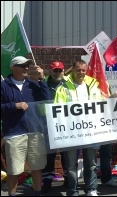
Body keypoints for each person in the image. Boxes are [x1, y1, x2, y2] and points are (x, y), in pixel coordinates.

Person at [1, 56, 51, 196]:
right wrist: (14, 106)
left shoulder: (33, 84)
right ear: (13, 67)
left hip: (35, 131)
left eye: (27, 66)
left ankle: (37, 193)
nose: (26, 68)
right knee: (14, 170)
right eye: (22, 66)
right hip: (14, 133)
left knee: (37, 167)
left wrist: (42, 79)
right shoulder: (4, 86)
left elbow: (47, 100)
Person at [54, 60, 103, 196]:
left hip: (90, 130)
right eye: (78, 70)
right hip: (71, 131)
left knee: (91, 163)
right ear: (73, 70)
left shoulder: (93, 86)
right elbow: (58, 108)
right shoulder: (63, 87)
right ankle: (72, 190)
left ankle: (91, 189)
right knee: (70, 165)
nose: (80, 72)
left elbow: (99, 107)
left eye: (83, 70)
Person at [41, 61, 68, 193]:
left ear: (63, 71)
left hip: (66, 125)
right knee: (49, 156)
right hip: (47, 125)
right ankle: (47, 182)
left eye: (60, 70)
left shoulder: (68, 84)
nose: (57, 73)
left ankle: (68, 180)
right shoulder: (43, 84)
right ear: (50, 71)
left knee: (66, 155)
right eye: (55, 70)